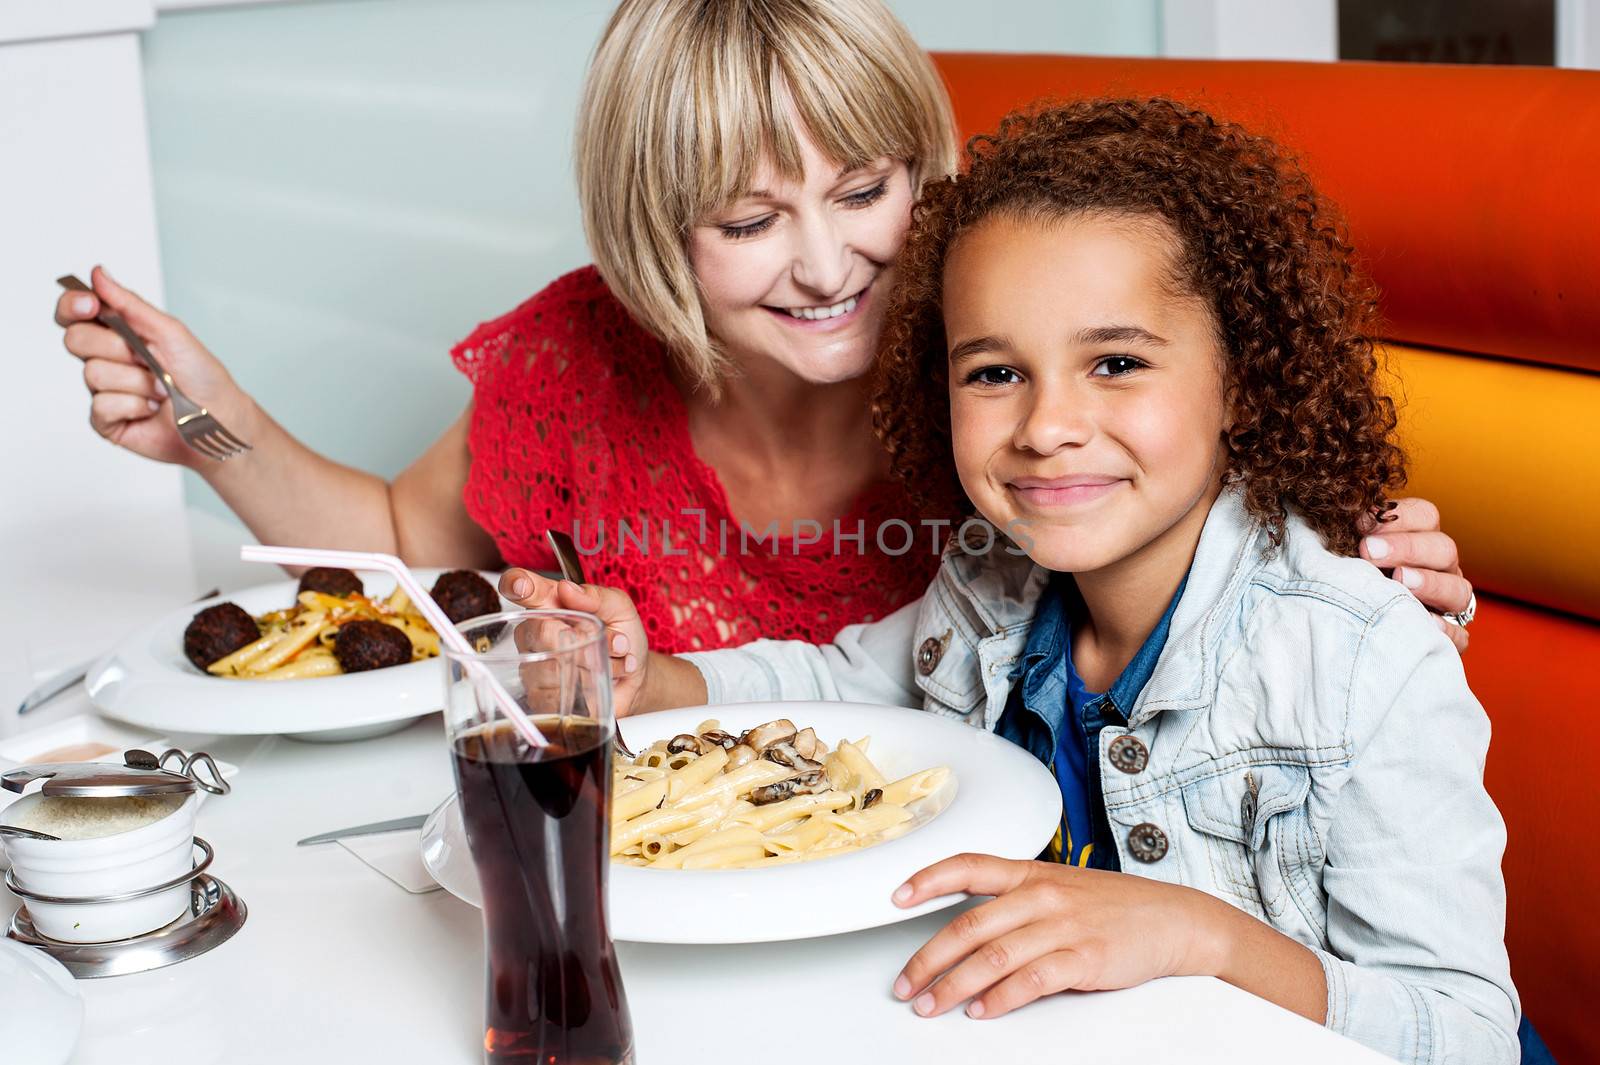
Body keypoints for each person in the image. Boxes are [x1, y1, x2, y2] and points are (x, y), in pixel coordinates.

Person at [506, 99, 1518, 1062]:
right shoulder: (989, 582)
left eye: (1115, 362)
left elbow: (1466, 1033)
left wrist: (1199, 936)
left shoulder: (1359, 661)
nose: (1044, 427)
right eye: (994, 373)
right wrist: (646, 679)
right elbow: (836, 684)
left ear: (1243, 379)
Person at [53, 0, 1471, 653]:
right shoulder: (576, 358)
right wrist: (210, 421)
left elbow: (1232, 533)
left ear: (927, 165)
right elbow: (409, 547)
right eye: (746, 223)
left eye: (865, 190)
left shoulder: (1015, 360)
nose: (827, 264)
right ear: (649, 235)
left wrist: (1387, 584)